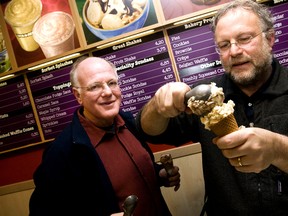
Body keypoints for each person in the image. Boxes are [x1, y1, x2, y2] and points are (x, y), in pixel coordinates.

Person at [135, 0, 288, 215]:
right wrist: (157, 106)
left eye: (244, 39)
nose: (234, 51)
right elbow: (148, 131)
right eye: (224, 45)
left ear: (270, 38)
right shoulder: (205, 97)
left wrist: (277, 149)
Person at [29, 56, 180, 216]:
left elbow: (129, 175)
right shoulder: (61, 152)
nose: (108, 92)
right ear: (78, 95)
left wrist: (158, 174)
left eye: (112, 83)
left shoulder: (129, 122)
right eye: (95, 86)